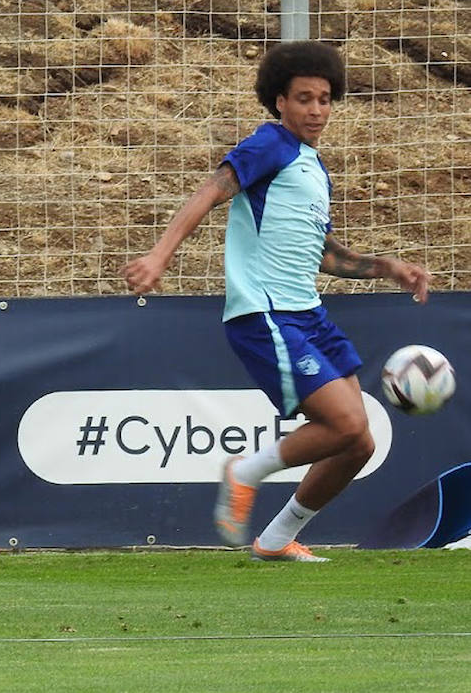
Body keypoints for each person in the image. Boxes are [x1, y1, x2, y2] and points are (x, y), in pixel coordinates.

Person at [123, 41, 431, 562]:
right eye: (304, 99)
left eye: (325, 99)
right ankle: (244, 471)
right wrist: (159, 257)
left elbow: (324, 255)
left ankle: (275, 539)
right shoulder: (269, 145)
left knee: (359, 443)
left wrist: (386, 267)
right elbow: (209, 192)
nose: (316, 110)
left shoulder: (313, 167)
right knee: (347, 424)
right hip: (263, 314)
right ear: (279, 102)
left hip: (308, 313)